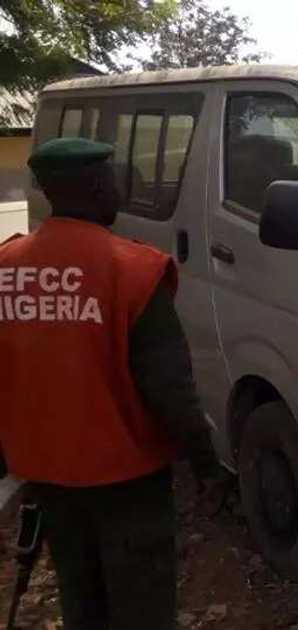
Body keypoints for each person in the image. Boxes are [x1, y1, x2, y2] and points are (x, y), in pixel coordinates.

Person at [0, 137, 216, 630]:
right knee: (142, 606)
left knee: (81, 598)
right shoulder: (133, 270)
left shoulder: (7, 268)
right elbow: (170, 390)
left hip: (48, 478)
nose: (119, 191)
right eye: (115, 181)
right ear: (97, 186)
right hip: (127, 484)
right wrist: (205, 465)